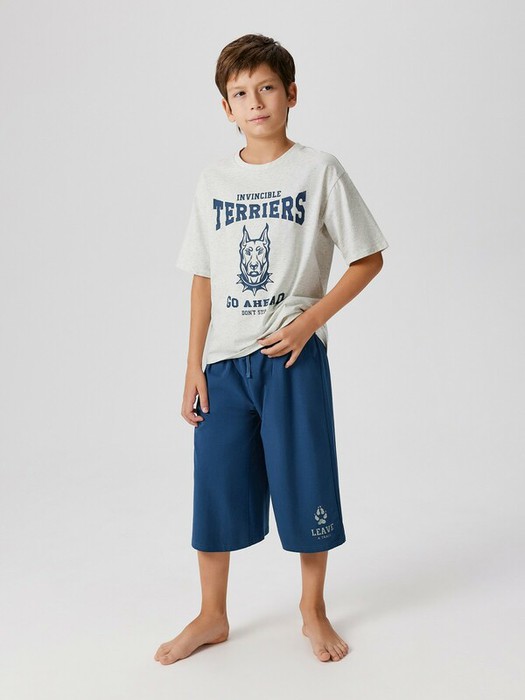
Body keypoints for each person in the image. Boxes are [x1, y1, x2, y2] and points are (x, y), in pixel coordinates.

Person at [154, 33, 389, 665]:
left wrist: (309, 322)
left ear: (291, 94)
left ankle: (312, 610)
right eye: (240, 93)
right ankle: (212, 614)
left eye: (266, 88)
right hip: (224, 364)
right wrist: (193, 366)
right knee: (215, 484)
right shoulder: (213, 181)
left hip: (290, 357)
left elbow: (367, 258)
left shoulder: (319, 170)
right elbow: (203, 277)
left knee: (305, 478)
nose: (255, 102)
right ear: (225, 107)